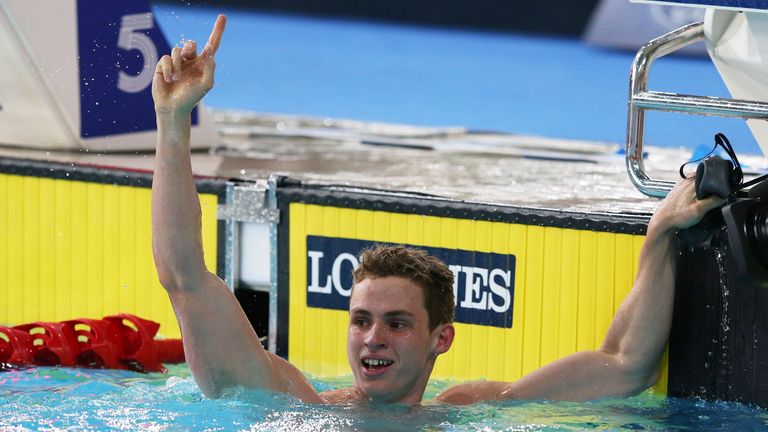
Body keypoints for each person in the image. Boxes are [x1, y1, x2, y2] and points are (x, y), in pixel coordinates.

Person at [151, 14, 726, 405]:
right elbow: (184, 279)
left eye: (398, 324)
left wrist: (660, 234)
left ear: (441, 339)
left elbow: (626, 365)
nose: (372, 338)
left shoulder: (476, 409)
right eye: (362, 320)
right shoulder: (291, 402)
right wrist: (174, 123)